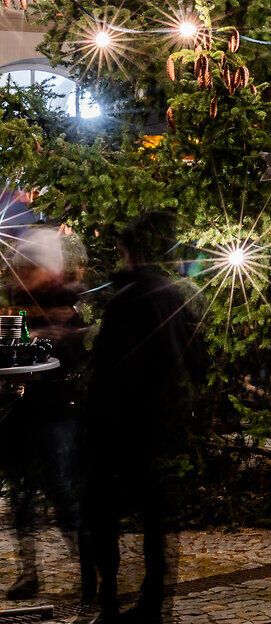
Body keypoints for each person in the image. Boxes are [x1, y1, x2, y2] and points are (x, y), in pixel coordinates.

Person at [82, 210, 207, 624]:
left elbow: (109, 367)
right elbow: (195, 356)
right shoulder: (173, 295)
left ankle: (110, 601)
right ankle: (152, 601)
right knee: (154, 514)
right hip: (158, 422)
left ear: (130, 251)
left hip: (120, 423)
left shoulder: (129, 300)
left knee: (104, 511)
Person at [4, 226, 88, 604]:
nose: (23, 272)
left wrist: (53, 338)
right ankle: (29, 572)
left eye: (30, 266)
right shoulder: (17, 304)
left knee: (63, 492)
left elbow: (76, 357)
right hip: (21, 413)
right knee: (21, 495)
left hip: (56, 413)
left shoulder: (66, 304)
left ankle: (89, 570)